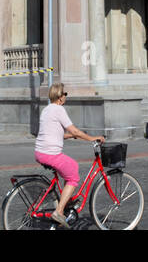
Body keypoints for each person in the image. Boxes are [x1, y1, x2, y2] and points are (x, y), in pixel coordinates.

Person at [34, 82, 104, 227]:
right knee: (73, 173)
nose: (66, 96)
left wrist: (70, 137)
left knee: (68, 169)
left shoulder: (46, 110)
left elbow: (54, 133)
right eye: (65, 94)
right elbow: (75, 131)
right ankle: (58, 211)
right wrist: (92, 138)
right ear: (60, 97)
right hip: (50, 154)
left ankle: (66, 203)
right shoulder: (59, 110)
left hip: (40, 152)